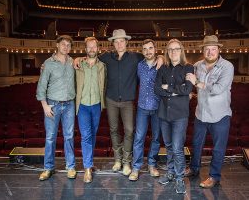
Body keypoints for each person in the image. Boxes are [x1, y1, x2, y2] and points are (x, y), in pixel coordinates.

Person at [75, 29, 163, 176]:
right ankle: (118, 160)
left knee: (129, 130)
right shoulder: (106, 57)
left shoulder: (136, 57)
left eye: (122, 40)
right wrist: (77, 59)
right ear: (113, 44)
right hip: (111, 100)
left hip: (128, 101)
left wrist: (161, 57)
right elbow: (91, 56)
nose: (119, 43)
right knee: (114, 130)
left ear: (126, 42)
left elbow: (151, 57)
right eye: (116, 41)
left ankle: (127, 161)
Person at [185, 35, 234, 188]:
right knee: (196, 144)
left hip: (220, 115)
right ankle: (194, 169)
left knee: (218, 148)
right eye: (207, 49)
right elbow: (191, 82)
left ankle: (214, 176)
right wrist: (191, 93)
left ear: (219, 50)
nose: (210, 52)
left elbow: (218, 89)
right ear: (203, 50)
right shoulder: (197, 65)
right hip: (201, 113)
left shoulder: (227, 66)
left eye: (213, 49)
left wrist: (198, 83)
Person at [155, 39, 194, 194]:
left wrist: (168, 88)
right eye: (170, 50)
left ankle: (179, 177)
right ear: (167, 52)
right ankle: (170, 172)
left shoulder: (188, 67)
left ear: (181, 50)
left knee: (178, 148)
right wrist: (176, 90)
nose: (173, 52)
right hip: (164, 114)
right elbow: (157, 89)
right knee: (169, 146)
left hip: (180, 115)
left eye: (176, 49)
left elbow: (187, 89)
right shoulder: (163, 69)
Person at [36, 35, 76, 181]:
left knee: (69, 136)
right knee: (50, 137)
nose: (66, 47)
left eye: (68, 45)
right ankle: (48, 168)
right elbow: (41, 87)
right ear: (57, 45)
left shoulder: (72, 61)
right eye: (63, 44)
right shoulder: (48, 63)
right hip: (52, 104)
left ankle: (70, 167)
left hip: (69, 104)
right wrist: (45, 106)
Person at [128, 39, 161, 181]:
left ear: (155, 49)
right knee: (139, 137)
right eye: (145, 49)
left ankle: (152, 165)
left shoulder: (162, 65)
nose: (148, 51)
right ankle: (136, 167)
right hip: (142, 107)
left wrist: (162, 58)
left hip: (158, 107)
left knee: (156, 137)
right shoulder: (139, 66)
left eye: (150, 48)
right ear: (142, 51)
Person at [75, 37, 106, 183]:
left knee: (93, 135)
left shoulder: (103, 66)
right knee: (86, 136)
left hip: (96, 105)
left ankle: (90, 162)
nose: (92, 49)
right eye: (89, 47)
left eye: (94, 47)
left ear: (98, 48)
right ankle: (87, 168)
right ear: (85, 49)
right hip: (82, 106)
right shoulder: (78, 64)